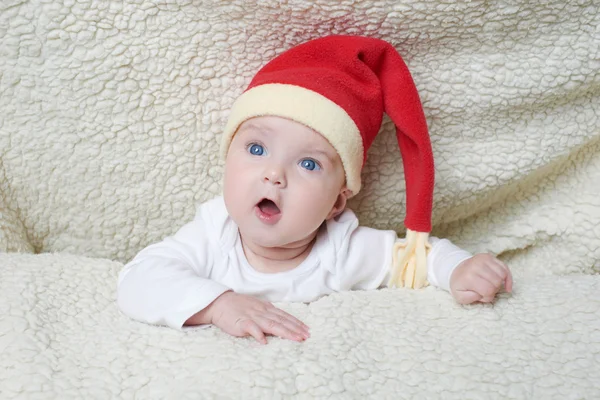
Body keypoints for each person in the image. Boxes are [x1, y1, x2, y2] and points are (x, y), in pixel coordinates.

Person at [117, 35, 513, 345]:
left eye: (308, 164)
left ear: (335, 203)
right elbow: (137, 280)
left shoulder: (342, 249)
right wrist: (218, 305)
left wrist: (460, 268)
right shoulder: (213, 234)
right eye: (256, 149)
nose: (274, 174)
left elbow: (415, 261)